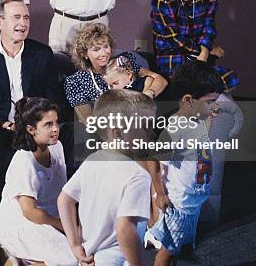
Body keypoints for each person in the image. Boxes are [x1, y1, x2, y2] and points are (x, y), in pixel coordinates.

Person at [0, 0, 72, 258]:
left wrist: (35, 124)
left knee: (69, 130)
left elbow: (52, 98)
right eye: (16, 17)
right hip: (1, 127)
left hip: (33, 128)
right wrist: (2, 122)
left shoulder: (42, 53)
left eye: (26, 17)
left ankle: (70, 206)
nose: (23, 23)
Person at [58, 89, 155, 265]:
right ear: (117, 133)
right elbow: (125, 229)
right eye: (145, 126)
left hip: (88, 256)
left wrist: (74, 244)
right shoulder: (138, 175)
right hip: (118, 259)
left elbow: (64, 199)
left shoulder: (92, 160)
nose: (152, 133)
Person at [144, 60, 223, 266]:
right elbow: (153, 159)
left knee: (177, 247)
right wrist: (159, 194)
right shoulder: (176, 128)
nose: (214, 106)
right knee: (168, 251)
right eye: (210, 101)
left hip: (193, 200)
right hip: (179, 202)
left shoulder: (197, 119)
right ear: (188, 100)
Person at [0, 97, 75, 265]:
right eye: (48, 125)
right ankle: (14, 257)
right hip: (26, 223)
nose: (55, 129)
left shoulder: (57, 147)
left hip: (51, 218)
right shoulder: (23, 160)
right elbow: (29, 211)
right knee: (67, 260)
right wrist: (64, 226)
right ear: (31, 129)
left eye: (56, 123)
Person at [151, 0, 239, 92]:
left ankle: (211, 113)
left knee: (231, 79)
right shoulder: (163, 0)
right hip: (173, 61)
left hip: (199, 60)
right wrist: (205, 50)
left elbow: (209, 30)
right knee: (206, 85)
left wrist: (205, 51)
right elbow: (174, 40)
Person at [64, 23, 166, 124]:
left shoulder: (122, 64)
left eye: (105, 46)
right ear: (84, 54)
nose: (103, 53)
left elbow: (160, 80)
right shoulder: (75, 81)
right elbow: (88, 120)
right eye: (96, 49)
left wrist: (148, 94)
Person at [103, 53, 168, 97]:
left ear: (129, 74)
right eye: (110, 86)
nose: (113, 89)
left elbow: (160, 80)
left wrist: (149, 93)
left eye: (116, 83)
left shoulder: (145, 81)